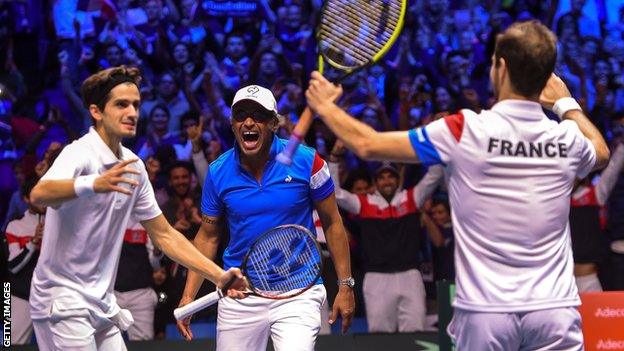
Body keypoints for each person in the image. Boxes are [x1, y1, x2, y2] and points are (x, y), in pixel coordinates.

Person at [306, 21, 610, 350]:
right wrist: (565, 103)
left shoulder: (464, 129)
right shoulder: (565, 138)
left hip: (485, 313)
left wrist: (325, 107)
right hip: (554, 309)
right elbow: (601, 152)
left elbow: (367, 144)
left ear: (501, 67)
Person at [28, 66, 246, 351]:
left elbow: (165, 235)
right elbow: (39, 194)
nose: (132, 112)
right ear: (96, 111)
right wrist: (93, 183)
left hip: (102, 304)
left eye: (136, 105)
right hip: (62, 302)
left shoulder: (133, 166)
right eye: (121, 104)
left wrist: (219, 275)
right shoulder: (79, 153)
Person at [176, 84, 355, 350]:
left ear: (273, 123)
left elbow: (332, 222)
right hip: (239, 291)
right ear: (232, 124)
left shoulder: (309, 161)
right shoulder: (217, 172)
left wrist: (345, 285)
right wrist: (189, 295)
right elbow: (208, 236)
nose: (248, 122)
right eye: (241, 115)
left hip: (298, 290)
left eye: (258, 115)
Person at [328, 148, 443, 332]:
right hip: (376, 278)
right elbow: (335, 192)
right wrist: (334, 158)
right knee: (380, 336)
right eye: (382, 177)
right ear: (376, 182)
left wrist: (431, 144)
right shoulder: (365, 204)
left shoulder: (412, 198)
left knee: (416, 334)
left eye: (391, 176)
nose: (387, 181)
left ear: (398, 180)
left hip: (410, 275)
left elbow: (436, 174)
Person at [7, 179, 45, 345]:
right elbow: (13, 267)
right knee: (10, 343)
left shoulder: (60, 225)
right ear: (26, 199)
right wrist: (33, 242)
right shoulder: (15, 226)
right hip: (18, 295)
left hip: (51, 298)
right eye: (38, 195)